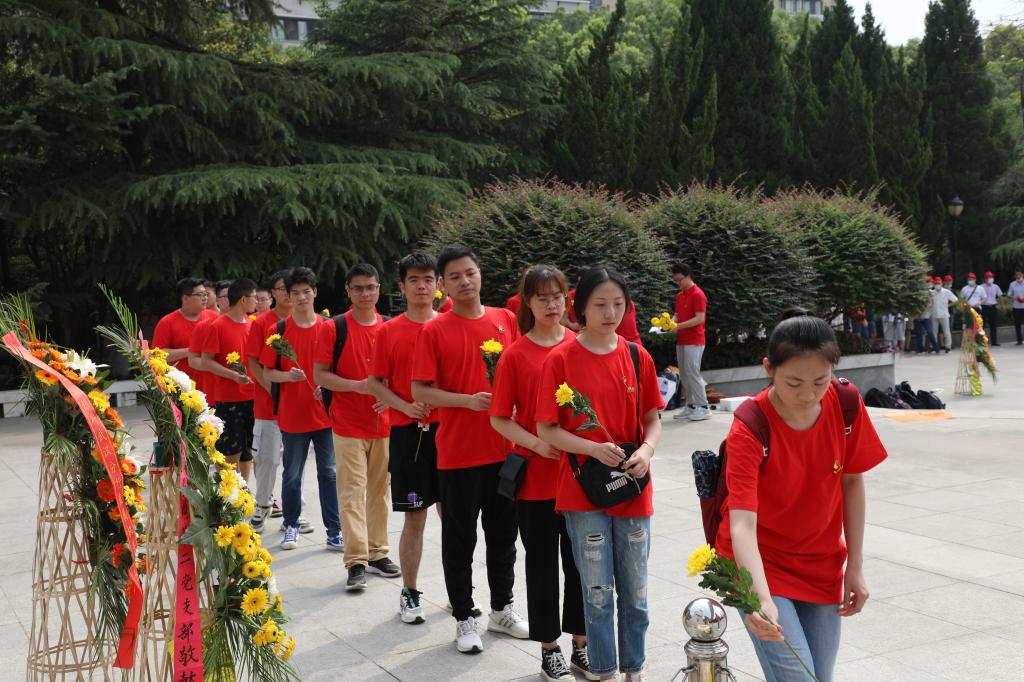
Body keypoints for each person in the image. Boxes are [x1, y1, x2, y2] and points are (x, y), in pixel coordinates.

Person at [715, 310, 887, 682]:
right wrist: (759, 597)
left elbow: (852, 483)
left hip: (820, 562)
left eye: (820, 381)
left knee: (820, 676)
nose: (808, 395)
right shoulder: (750, 425)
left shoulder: (845, 403)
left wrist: (855, 566)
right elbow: (742, 524)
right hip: (761, 562)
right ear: (768, 368)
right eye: (793, 383)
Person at [535, 265, 663, 682]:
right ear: (581, 308)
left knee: (636, 594)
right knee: (596, 593)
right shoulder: (560, 359)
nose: (610, 314)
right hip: (582, 491)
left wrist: (646, 450)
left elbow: (652, 418)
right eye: (600, 305)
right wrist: (592, 448)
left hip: (633, 489)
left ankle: (634, 671)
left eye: (618, 304)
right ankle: (605, 672)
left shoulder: (637, 356)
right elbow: (546, 428)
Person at [411, 243, 528, 654]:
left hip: (505, 451)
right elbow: (419, 390)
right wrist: (467, 400)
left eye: (470, 273)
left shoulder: (505, 320)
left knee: (504, 537)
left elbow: (522, 372)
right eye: (455, 276)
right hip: (458, 454)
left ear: (480, 274)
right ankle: (464, 617)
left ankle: (502, 609)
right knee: (460, 541)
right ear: (442, 285)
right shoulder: (433, 330)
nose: (465, 281)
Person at [489, 265, 594, 682]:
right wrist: (535, 443)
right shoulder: (515, 354)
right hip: (536, 479)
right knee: (542, 565)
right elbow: (500, 418)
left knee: (582, 564)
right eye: (542, 298)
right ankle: (549, 648)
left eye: (557, 297)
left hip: (579, 477)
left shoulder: (580, 344)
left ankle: (582, 644)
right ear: (527, 303)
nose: (551, 305)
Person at [314, 263, 400, 592]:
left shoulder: (390, 327)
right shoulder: (333, 328)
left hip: (384, 424)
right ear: (348, 291)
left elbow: (403, 374)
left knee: (380, 491)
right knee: (352, 491)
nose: (365, 293)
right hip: (347, 423)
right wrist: (359, 386)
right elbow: (321, 375)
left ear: (379, 289)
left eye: (371, 287)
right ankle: (355, 561)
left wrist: (389, 398)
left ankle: (378, 552)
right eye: (359, 288)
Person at [368, 253, 442, 624]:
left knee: (455, 517)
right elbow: (375, 382)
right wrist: (405, 406)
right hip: (407, 433)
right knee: (415, 516)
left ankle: (461, 593)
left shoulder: (448, 326)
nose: (422, 286)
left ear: (438, 284)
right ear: (402, 287)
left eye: (428, 279)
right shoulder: (388, 331)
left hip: (450, 432)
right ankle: (410, 593)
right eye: (414, 279)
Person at [257, 267, 342, 554]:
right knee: (292, 474)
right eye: (295, 293)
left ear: (315, 293)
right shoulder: (278, 331)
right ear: (288, 297)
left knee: (329, 473)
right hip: (292, 416)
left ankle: (334, 530)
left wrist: (327, 387)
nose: (302, 297)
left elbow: (337, 370)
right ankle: (291, 524)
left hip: (326, 415)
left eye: (307, 291)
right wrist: (288, 376)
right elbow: (268, 372)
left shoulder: (330, 327)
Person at [248, 269, 312, 534]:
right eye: (283, 289)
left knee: (296, 463)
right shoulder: (262, 323)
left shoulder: (308, 320)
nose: (288, 294)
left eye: (292, 289)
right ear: (273, 293)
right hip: (269, 407)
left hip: (301, 408)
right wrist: (275, 391)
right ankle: (262, 504)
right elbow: (253, 362)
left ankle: (295, 510)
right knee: (267, 459)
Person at [200, 278, 257, 480]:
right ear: (243, 300)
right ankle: (227, 491)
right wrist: (232, 375)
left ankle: (243, 490)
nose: (257, 301)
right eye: (254, 297)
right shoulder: (217, 326)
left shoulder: (253, 325)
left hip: (254, 396)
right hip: (229, 398)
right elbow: (206, 361)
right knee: (229, 450)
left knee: (248, 449)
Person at [151, 277, 217, 388]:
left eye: (206, 294)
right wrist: (191, 350)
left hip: (212, 385)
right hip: (182, 389)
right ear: (185, 298)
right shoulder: (167, 322)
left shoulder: (214, 317)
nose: (205, 298)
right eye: (201, 295)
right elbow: (157, 356)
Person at [671, 262, 710, 421]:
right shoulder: (680, 296)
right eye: (675, 281)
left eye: (680, 280)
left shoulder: (698, 294)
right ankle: (691, 405)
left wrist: (677, 326)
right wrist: (670, 323)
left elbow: (700, 318)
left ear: (688, 276)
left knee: (693, 373)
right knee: (685, 374)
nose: (678, 283)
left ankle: (704, 407)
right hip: (682, 340)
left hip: (695, 340)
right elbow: (677, 314)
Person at [188, 279, 231, 404]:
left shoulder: (250, 323)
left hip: (246, 393)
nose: (231, 300)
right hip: (215, 392)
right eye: (226, 296)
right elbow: (193, 360)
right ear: (217, 299)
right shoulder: (204, 326)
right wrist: (220, 368)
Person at [930, 277, 958, 353]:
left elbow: (955, 300)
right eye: (936, 284)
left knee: (946, 331)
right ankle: (933, 347)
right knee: (934, 332)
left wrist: (948, 306)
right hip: (934, 314)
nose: (937, 285)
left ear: (941, 284)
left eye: (938, 283)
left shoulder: (946, 292)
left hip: (944, 314)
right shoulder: (932, 292)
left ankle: (948, 347)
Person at [980, 271, 1004, 345]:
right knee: (982, 325)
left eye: (991, 277)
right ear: (985, 279)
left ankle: (994, 341)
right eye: (989, 277)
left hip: (993, 307)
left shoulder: (996, 286)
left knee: (993, 325)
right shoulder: (981, 287)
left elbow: (1000, 296)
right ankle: (982, 341)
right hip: (984, 307)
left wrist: (1002, 305)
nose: (991, 279)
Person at [1009, 270, 1024, 346]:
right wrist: (1013, 296)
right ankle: (1019, 340)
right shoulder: (1012, 284)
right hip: (1016, 307)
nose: (1018, 278)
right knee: (1017, 324)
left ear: (1022, 276)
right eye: (1017, 277)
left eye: (1020, 277)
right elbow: (1009, 294)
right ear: (1015, 277)